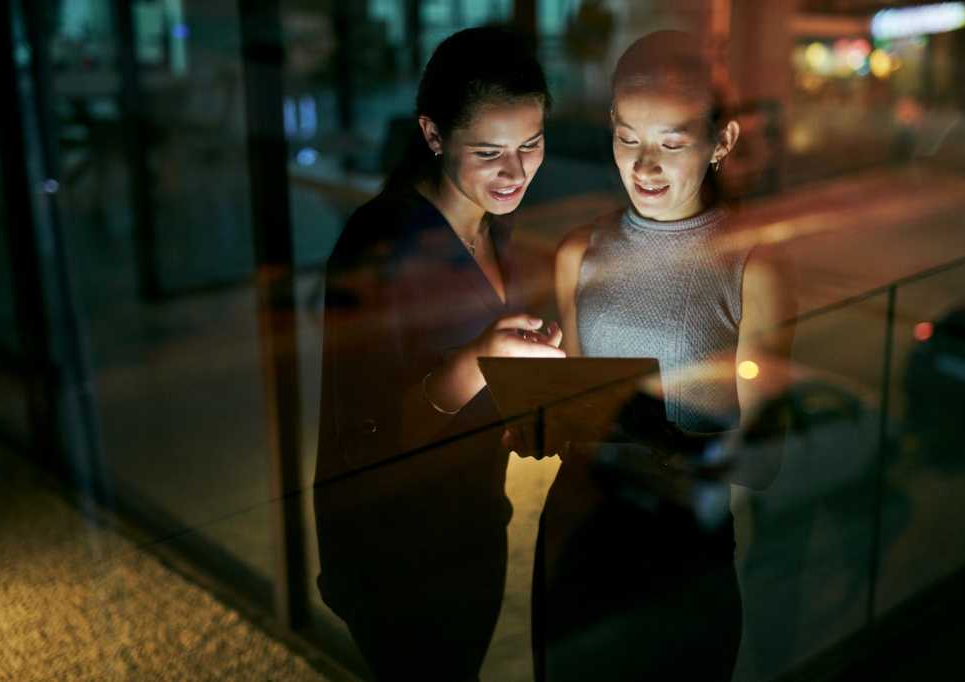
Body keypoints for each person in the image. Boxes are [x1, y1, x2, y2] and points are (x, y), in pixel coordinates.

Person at [536, 30, 796, 680]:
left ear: (722, 142)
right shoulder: (579, 253)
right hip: (581, 529)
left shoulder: (751, 266)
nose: (644, 166)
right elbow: (571, 407)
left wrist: (667, 455)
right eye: (627, 138)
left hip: (681, 551)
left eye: (672, 143)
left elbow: (764, 454)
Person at [315, 27, 563, 680]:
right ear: (433, 134)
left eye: (531, 146)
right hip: (398, 555)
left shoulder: (489, 223)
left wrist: (523, 403)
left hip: (471, 523)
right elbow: (372, 433)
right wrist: (481, 360)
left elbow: (477, 393)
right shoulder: (381, 247)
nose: (515, 172)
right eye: (489, 152)